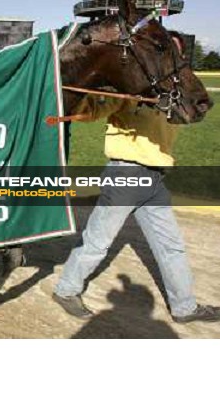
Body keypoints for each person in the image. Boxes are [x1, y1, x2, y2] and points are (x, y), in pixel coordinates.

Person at [53, 94, 220, 324]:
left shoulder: (171, 95)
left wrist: (196, 104)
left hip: (155, 179)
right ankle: (65, 290)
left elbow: (191, 113)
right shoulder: (128, 92)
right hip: (126, 175)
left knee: (171, 246)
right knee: (98, 241)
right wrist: (93, 97)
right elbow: (91, 111)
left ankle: (184, 307)